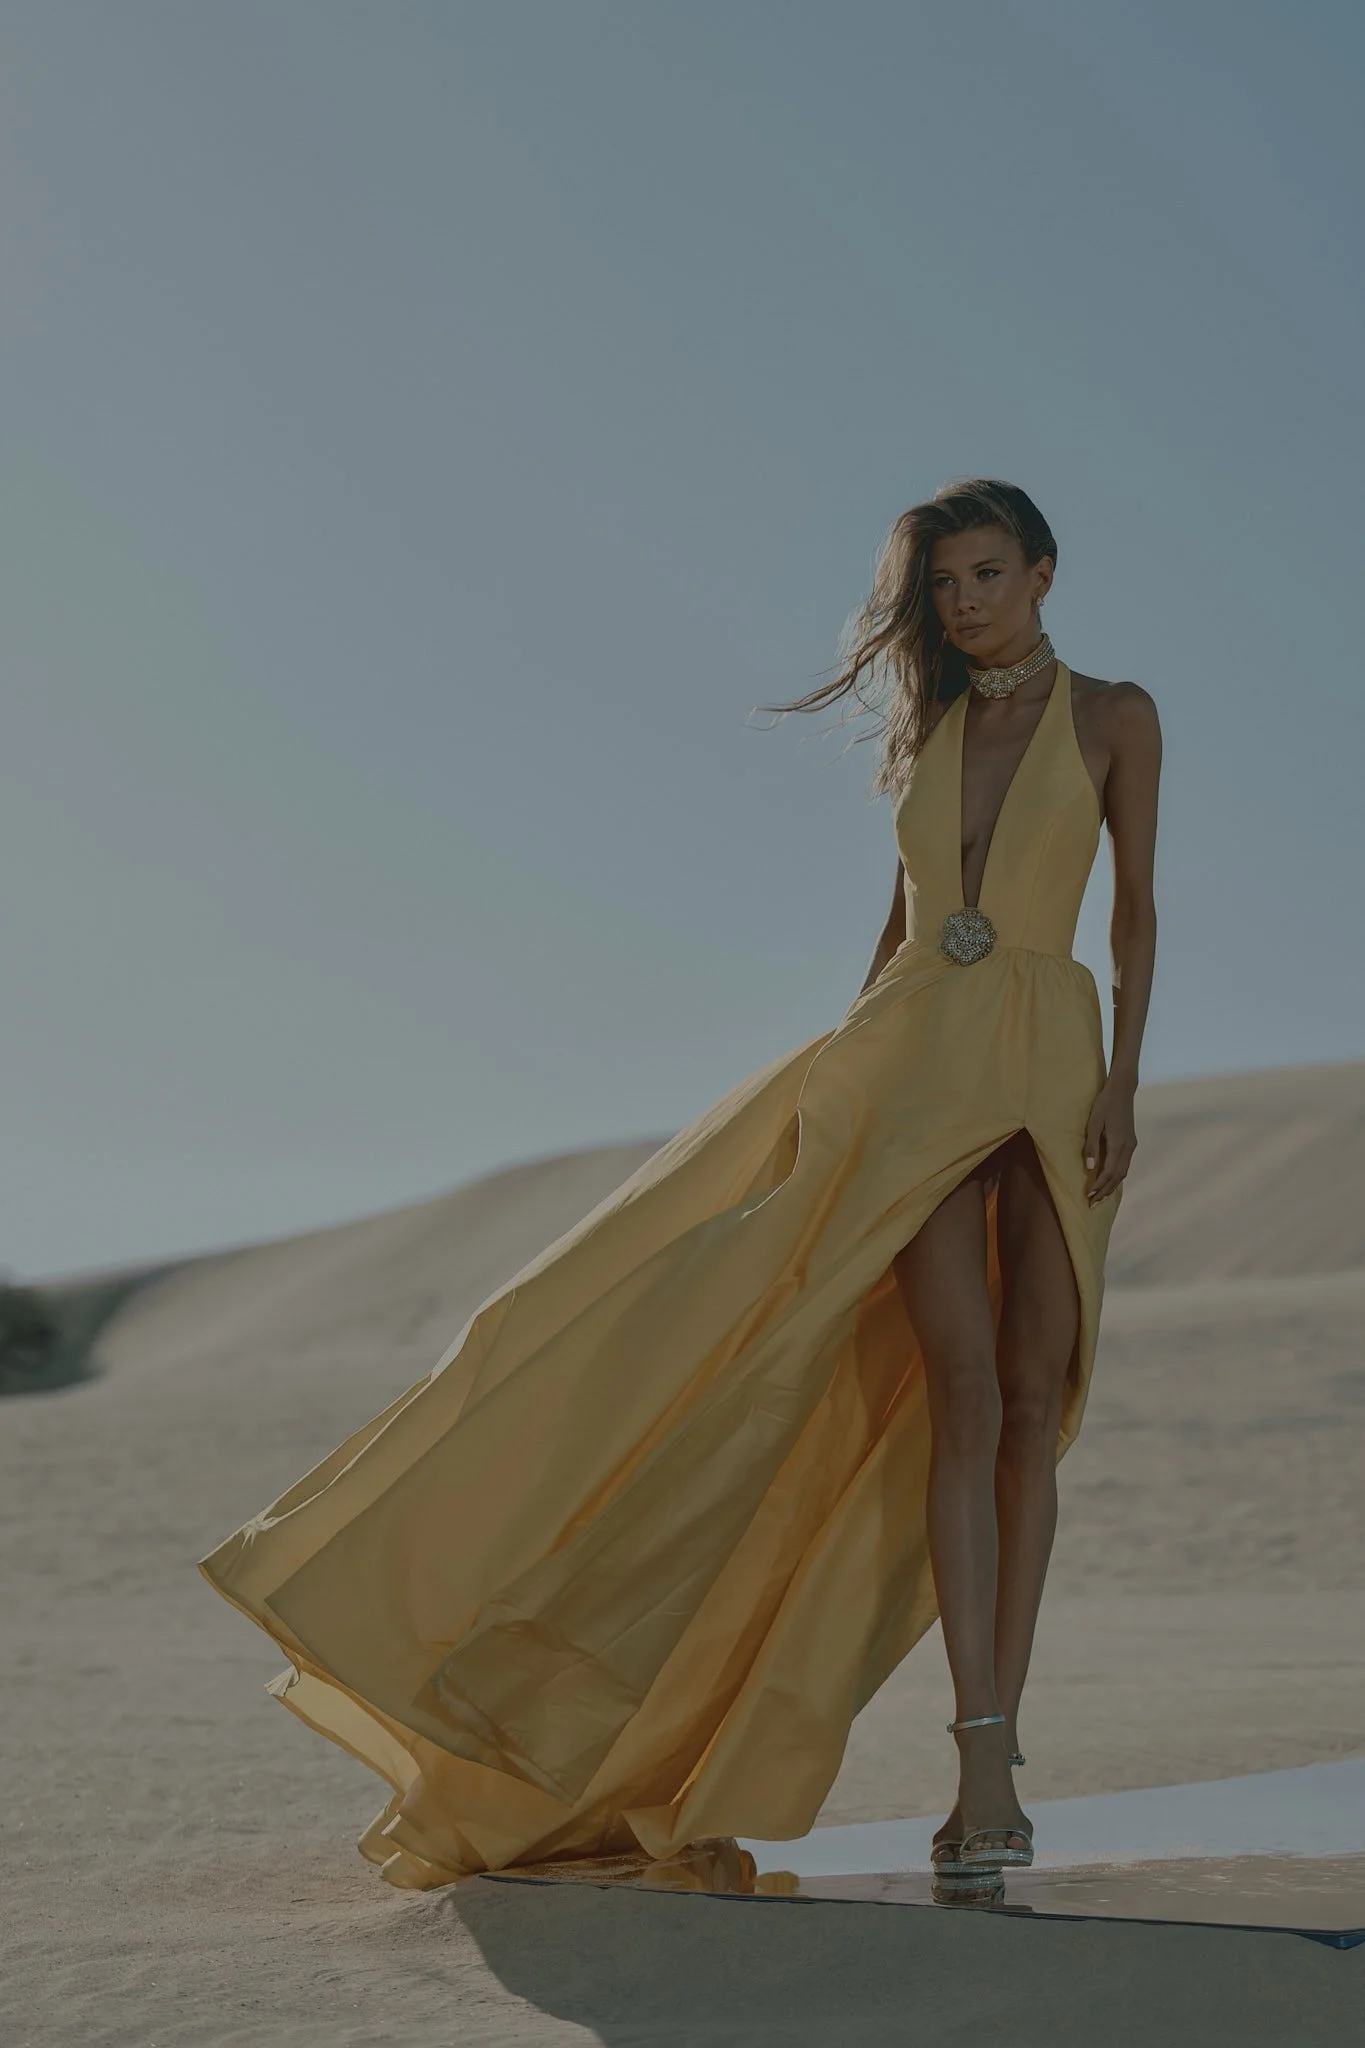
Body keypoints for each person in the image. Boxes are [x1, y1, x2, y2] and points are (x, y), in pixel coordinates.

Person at [201, 477, 1160, 1897]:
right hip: (909, 1070)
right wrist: (836, 1095)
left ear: (1044, 572)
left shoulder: (1115, 716)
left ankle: (999, 1751)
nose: (964, 601)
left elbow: (1136, 907)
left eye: (985, 573)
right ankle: (973, 1765)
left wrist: (1127, 1080)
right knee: (955, 1392)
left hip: (1054, 1061)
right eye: (943, 584)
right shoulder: (929, 738)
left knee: (1028, 1407)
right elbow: (895, 941)